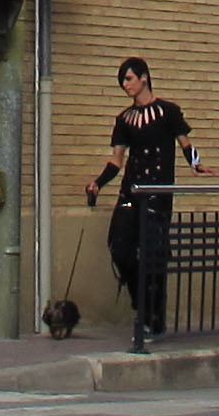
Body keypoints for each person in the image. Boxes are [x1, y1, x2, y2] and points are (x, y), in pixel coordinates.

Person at [85, 56, 207, 335]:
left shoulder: (168, 112)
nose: (125, 85)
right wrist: (98, 183)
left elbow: (185, 143)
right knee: (120, 248)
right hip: (131, 190)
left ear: (144, 78)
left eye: (128, 79)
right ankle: (140, 302)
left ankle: (154, 314)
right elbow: (117, 160)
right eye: (122, 81)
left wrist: (197, 164)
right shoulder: (124, 119)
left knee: (154, 253)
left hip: (157, 193)